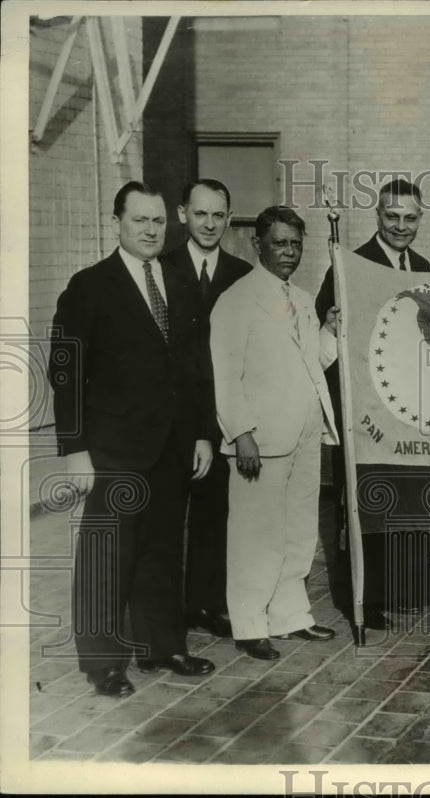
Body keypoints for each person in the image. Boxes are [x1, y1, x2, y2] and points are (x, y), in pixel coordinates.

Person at [48, 181, 216, 698]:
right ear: (116, 222)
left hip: (172, 444)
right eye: (140, 220)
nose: (150, 230)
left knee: (164, 548)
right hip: (113, 448)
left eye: (159, 221)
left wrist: (203, 434)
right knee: (109, 554)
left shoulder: (180, 282)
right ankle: (103, 662)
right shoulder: (89, 286)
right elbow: (66, 372)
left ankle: (162, 645)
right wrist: (76, 451)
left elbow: (196, 368)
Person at [210, 205, 339, 660]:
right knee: (255, 534)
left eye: (296, 243)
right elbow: (224, 374)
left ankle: (289, 616)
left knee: (297, 531)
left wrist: (330, 332)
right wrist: (240, 432)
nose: (289, 252)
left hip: (304, 435)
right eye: (280, 243)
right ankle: (249, 624)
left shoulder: (302, 300)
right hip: (259, 441)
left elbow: (311, 364)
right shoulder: (237, 299)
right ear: (258, 244)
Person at [315, 179, 430, 630]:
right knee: (361, 503)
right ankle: (360, 595)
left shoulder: (421, 267)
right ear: (377, 216)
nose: (401, 226)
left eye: (410, 218)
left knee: (400, 499)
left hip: (405, 408)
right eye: (392, 216)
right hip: (363, 409)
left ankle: (395, 585)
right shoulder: (350, 264)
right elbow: (328, 344)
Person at [162, 178, 253, 640]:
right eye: (201, 214)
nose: (210, 224)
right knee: (166, 518)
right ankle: (166, 610)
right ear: (183, 215)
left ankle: (207, 604)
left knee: (215, 515)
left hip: (221, 417)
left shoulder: (241, 274)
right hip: (172, 420)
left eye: (219, 215)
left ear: (229, 217)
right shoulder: (160, 268)